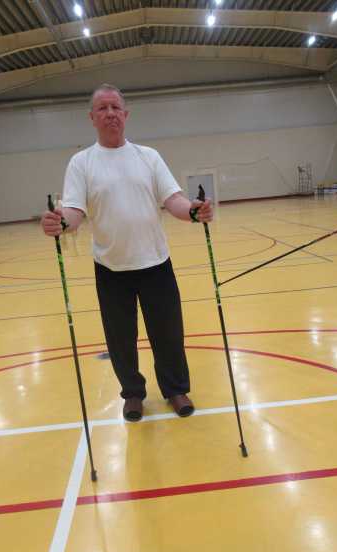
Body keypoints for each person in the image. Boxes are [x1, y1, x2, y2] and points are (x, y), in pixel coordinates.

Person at [41, 83, 213, 421]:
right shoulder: (81, 162)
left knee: (168, 333)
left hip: (155, 263)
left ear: (126, 114)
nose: (110, 114)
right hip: (111, 268)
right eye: (102, 108)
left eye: (115, 108)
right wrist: (60, 222)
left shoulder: (148, 157)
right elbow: (74, 211)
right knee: (120, 340)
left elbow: (173, 199)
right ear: (92, 118)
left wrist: (193, 211)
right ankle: (133, 394)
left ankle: (176, 389)